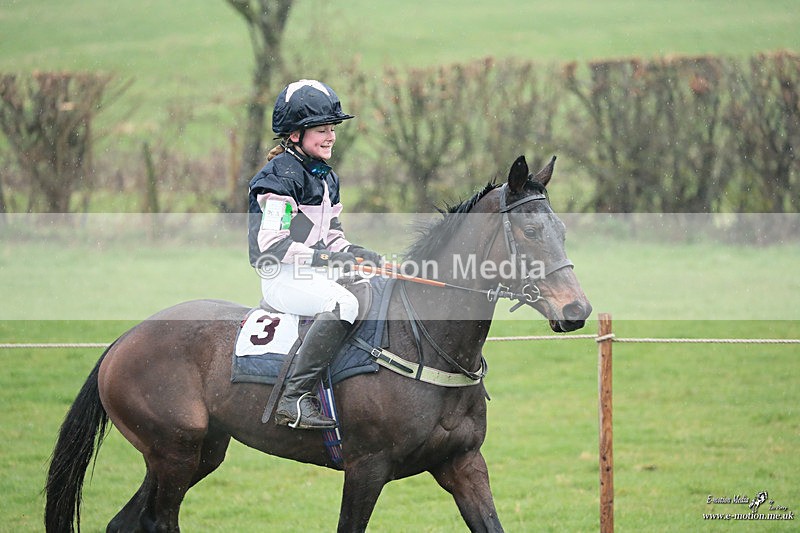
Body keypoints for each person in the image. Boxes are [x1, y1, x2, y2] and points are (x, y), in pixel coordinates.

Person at [248, 79, 381, 430]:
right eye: (321, 130)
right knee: (344, 305)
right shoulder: (278, 179)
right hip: (281, 276)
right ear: (294, 135)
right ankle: (293, 399)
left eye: (332, 129)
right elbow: (272, 246)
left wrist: (352, 251)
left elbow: (331, 234)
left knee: (372, 285)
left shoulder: (325, 176)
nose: (331, 136)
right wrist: (328, 260)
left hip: (311, 271)